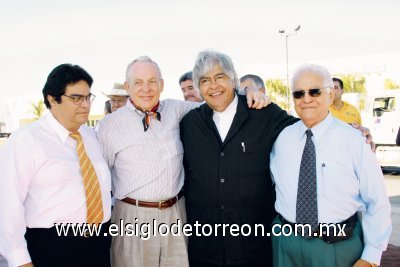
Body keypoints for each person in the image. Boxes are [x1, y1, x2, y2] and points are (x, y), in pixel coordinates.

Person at [97, 55, 269, 267]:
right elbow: (99, 181)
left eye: (152, 81)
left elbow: (217, 100)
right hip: (133, 216)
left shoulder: (177, 110)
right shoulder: (109, 126)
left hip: (176, 214)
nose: (146, 88)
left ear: (161, 84)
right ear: (127, 86)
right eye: (138, 83)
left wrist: (247, 91)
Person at [180, 50, 298, 267]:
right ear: (198, 87)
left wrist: (353, 130)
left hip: (254, 247)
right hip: (205, 248)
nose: (213, 86)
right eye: (205, 80)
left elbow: (306, 129)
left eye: (220, 77)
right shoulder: (189, 123)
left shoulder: (263, 113)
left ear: (233, 78)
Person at [270, 64, 391, 267]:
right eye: (299, 94)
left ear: (331, 93)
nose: (306, 99)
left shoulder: (354, 140)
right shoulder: (282, 138)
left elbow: (377, 200)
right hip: (286, 244)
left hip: (337, 247)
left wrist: (371, 256)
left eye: (314, 91)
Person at [0, 64, 112, 267]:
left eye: (88, 97)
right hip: (52, 248)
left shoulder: (92, 137)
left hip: (99, 245)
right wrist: (20, 260)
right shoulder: (25, 141)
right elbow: (8, 205)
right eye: (76, 98)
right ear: (52, 99)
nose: (85, 104)